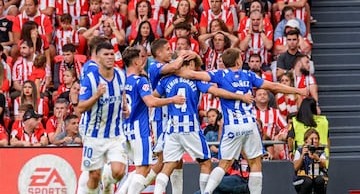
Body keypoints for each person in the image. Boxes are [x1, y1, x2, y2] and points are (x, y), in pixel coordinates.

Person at [177, 48, 307, 194]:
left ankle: (207, 192)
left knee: (224, 164)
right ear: (238, 61)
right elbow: (274, 86)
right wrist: (299, 91)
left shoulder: (219, 74)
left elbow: (191, 74)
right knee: (255, 163)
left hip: (232, 126)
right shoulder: (248, 75)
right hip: (250, 125)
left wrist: (172, 68)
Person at [152, 51, 254, 194]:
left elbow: (152, 99)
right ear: (190, 64)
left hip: (172, 128)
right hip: (191, 128)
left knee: (168, 166)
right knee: (205, 163)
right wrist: (239, 96)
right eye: (194, 63)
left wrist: (169, 100)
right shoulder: (196, 80)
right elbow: (217, 92)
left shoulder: (166, 80)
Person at [118, 47, 185, 194]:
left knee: (140, 169)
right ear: (136, 61)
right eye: (141, 57)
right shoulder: (140, 80)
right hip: (139, 130)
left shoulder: (121, 80)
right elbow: (151, 102)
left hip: (125, 130)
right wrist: (172, 99)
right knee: (143, 169)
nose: (143, 60)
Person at [77, 42, 128, 194]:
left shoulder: (120, 74)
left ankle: (107, 182)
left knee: (119, 172)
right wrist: (97, 95)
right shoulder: (91, 79)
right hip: (94, 135)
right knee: (93, 175)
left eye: (112, 54)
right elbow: (80, 107)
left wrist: (125, 106)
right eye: (106, 54)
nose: (110, 57)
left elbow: (122, 91)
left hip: (115, 134)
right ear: (98, 58)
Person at [293, 128, 327, 194]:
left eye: (316, 138)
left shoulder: (320, 151)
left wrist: (317, 158)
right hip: (302, 178)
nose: (314, 141)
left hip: (316, 176)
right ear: (306, 140)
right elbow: (295, 167)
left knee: (319, 180)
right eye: (312, 138)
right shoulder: (299, 151)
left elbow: (324, 164)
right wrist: (302, 155)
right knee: (308, 181)